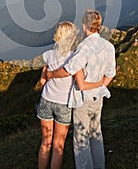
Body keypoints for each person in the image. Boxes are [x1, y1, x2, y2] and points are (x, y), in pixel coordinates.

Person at [47, 10, 116, 169]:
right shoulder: (109, 46)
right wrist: (101, 86)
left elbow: (69, 69)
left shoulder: (83, 47)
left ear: (85, 26)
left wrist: (52, 74)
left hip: (82, 99)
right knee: (96, 135)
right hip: (98, 98)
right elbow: (111, 73)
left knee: (81, 141)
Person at [37, 21, 105, 169]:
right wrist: (100, 83)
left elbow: (43, 81)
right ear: (72, 38)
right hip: (63, 104)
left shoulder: (48, 55)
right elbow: (81, 83)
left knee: (45, 142)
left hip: (46, 100)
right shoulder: (74, 58)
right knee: (58, 146)